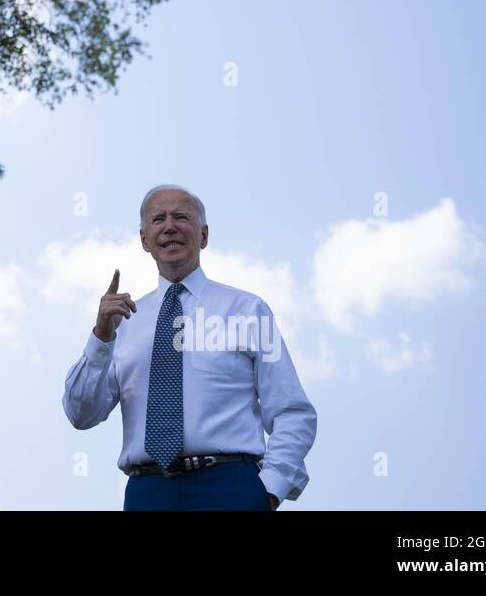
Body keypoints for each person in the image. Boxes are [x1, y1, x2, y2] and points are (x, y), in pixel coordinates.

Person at [62, 184, 317, 510]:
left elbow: (292, 412)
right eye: (158, 219)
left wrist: (268, 490)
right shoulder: (122, 323)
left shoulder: (247, 310)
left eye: (182, 216)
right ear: (144, 239)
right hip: (148, 491)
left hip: (232, 486)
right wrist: (100, 336)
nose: (170, 226)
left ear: (204, 235)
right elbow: (81, 414)